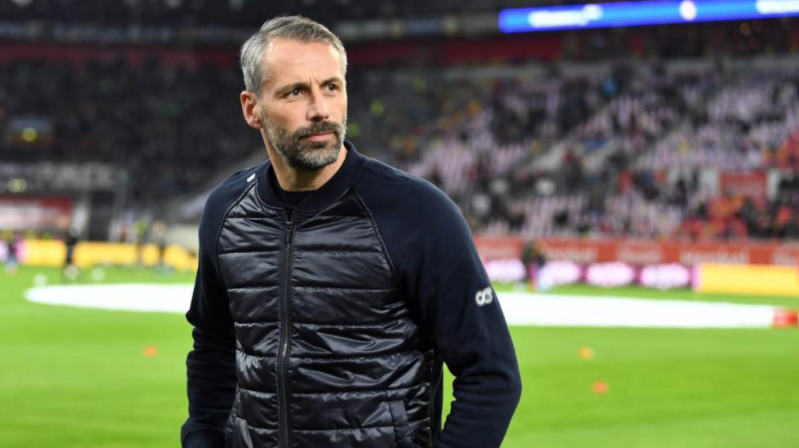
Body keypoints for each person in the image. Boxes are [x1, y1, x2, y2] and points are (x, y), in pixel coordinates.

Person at [181, 16, 521, 448]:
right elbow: (213, 346)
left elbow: (491, 375)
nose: (320, 109)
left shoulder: (418, 213)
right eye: (295, 92)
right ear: (252, 108)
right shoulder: (226, 210)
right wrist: (202, 438)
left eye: (331, 87)